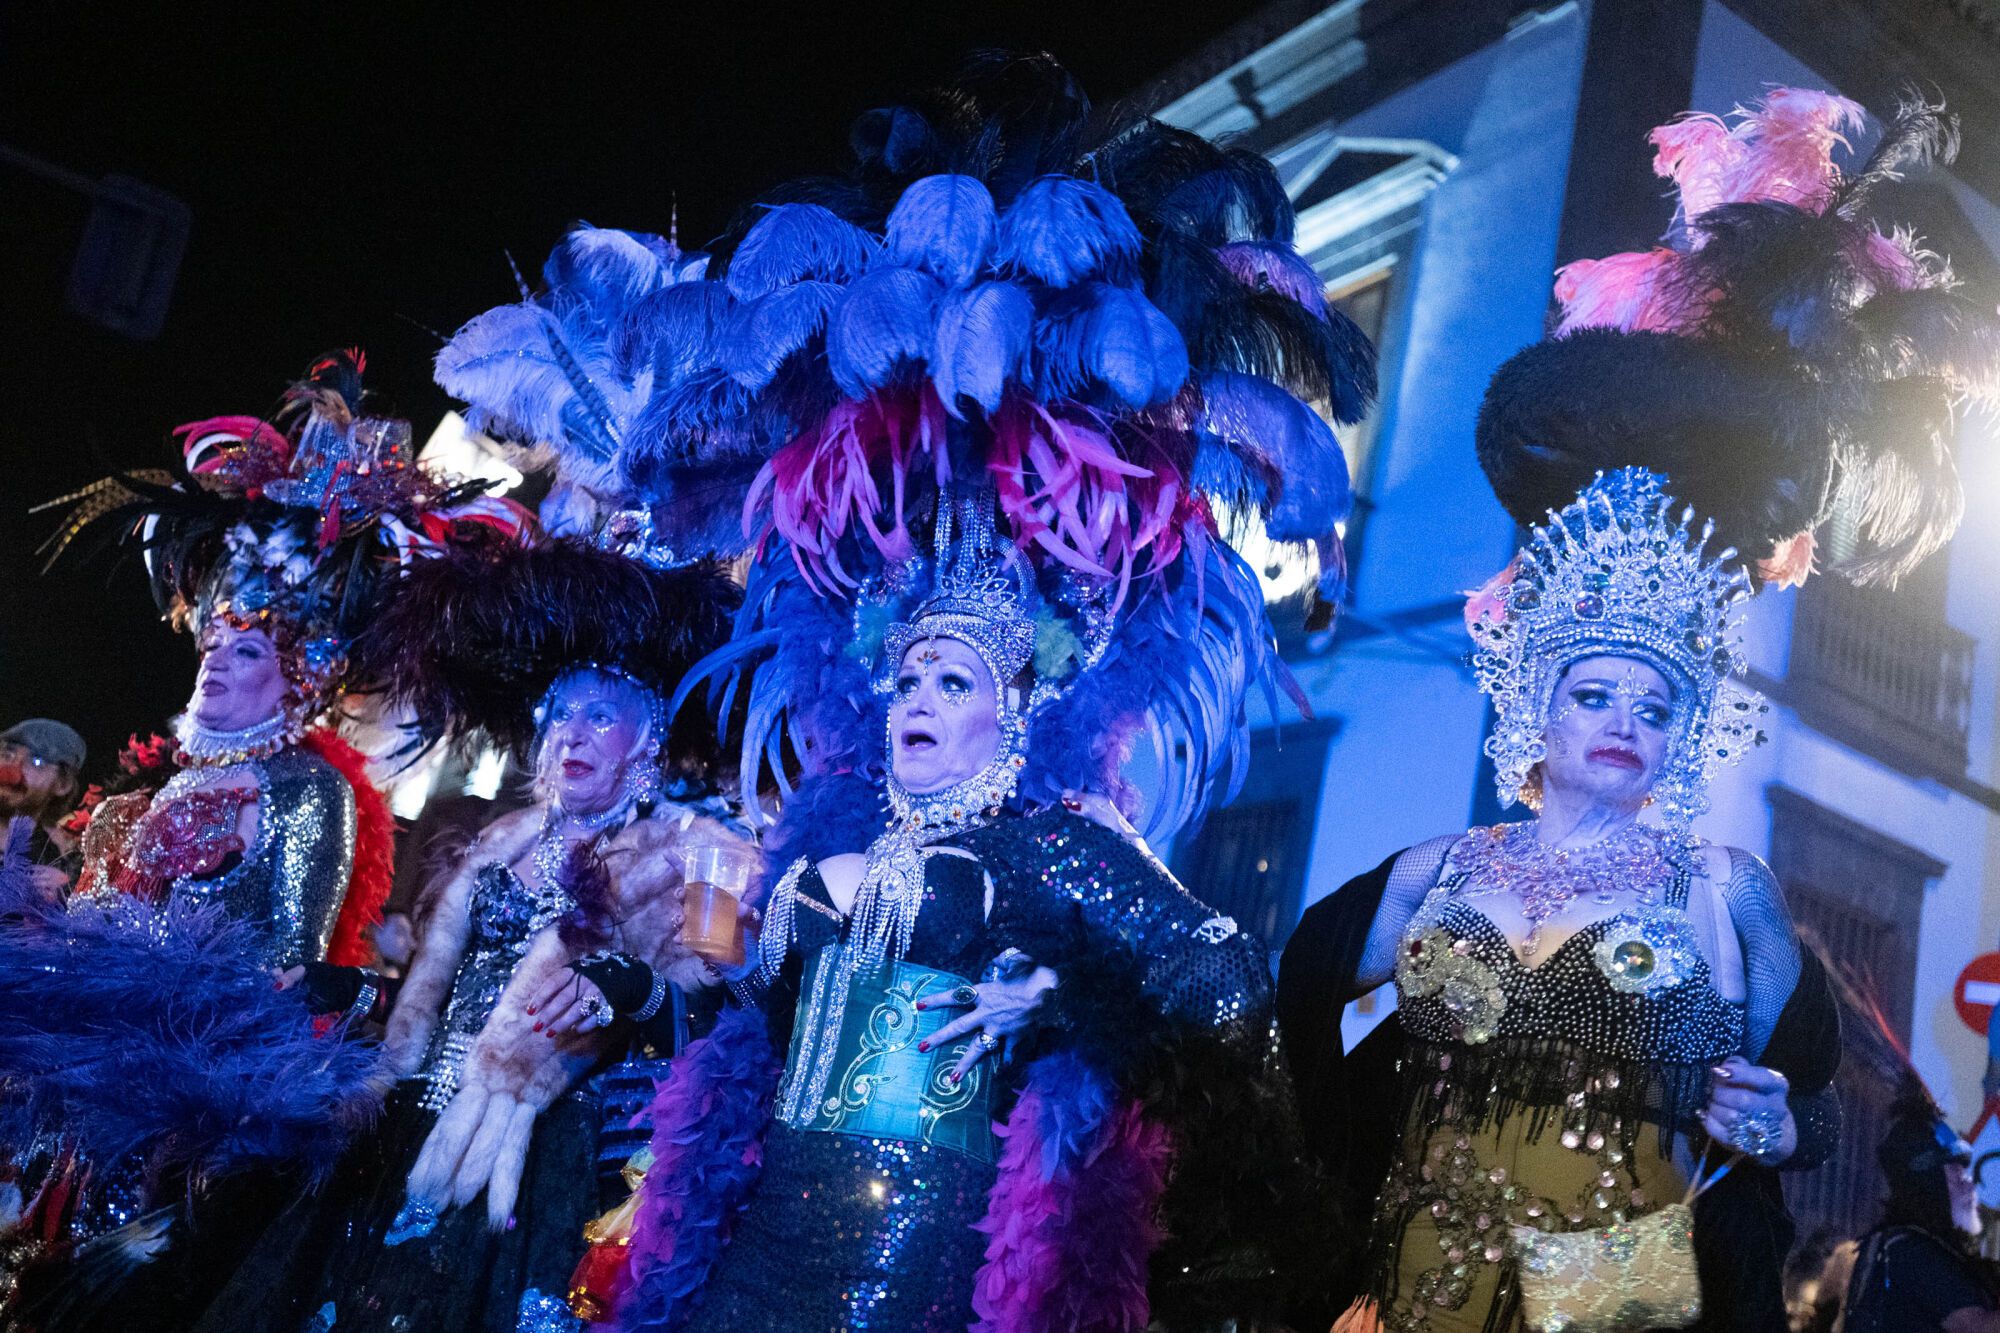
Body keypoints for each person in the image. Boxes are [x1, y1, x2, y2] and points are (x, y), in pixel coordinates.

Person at [605, 52, 1374, 1331]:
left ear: (1011, 711)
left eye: (951, 676)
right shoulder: (828, 830)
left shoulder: (1051, 846)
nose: (915, 695)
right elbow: (741, 1027)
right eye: (907, 673)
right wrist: (658, 962)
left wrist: (1066, 1001)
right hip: (758, 1239)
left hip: (927, 1258)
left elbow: (1224, 978)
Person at [191, 277, 745, 1330]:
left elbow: (726, 1000)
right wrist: (353, 1005)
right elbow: (422, 999)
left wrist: (630, 988)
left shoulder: (690, 852)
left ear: (645, 744)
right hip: (405, 1126)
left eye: (601, 716)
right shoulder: (495, 843)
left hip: (545, 1157)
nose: (572, 733)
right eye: (561, 713)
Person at [0, 351, 513, 1330]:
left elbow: (291, 972)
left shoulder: (309, 790)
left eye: (245, 652)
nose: (216, 666)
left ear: (299, 680)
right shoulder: (175, 782)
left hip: (188, 1102)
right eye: (213, 644)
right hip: (101, 1081)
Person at [1280, 471, 1843, 1333]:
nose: (1624, 723)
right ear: (1537, 710)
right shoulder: (1440, 869)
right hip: (1420, 1277)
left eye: (1653, 709)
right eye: (1593, 696)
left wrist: (1779, 1126)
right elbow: (1289, 1007)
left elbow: (1814, 1103)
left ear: (1678, 740)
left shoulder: (1723, 888)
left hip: (1611, 1293)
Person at [1842, 1085, 2000, 1332]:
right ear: (1927, 1183)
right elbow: (1979, 1329)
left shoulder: (1913, 1247)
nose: (1969, 1183)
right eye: (1955, 1173)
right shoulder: (1910, 1251)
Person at [0, 718, 86, 892]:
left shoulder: (54, 860)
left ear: (62, 784)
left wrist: (63, 896)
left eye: (36, 762)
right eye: (7, 755)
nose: (12, 770)